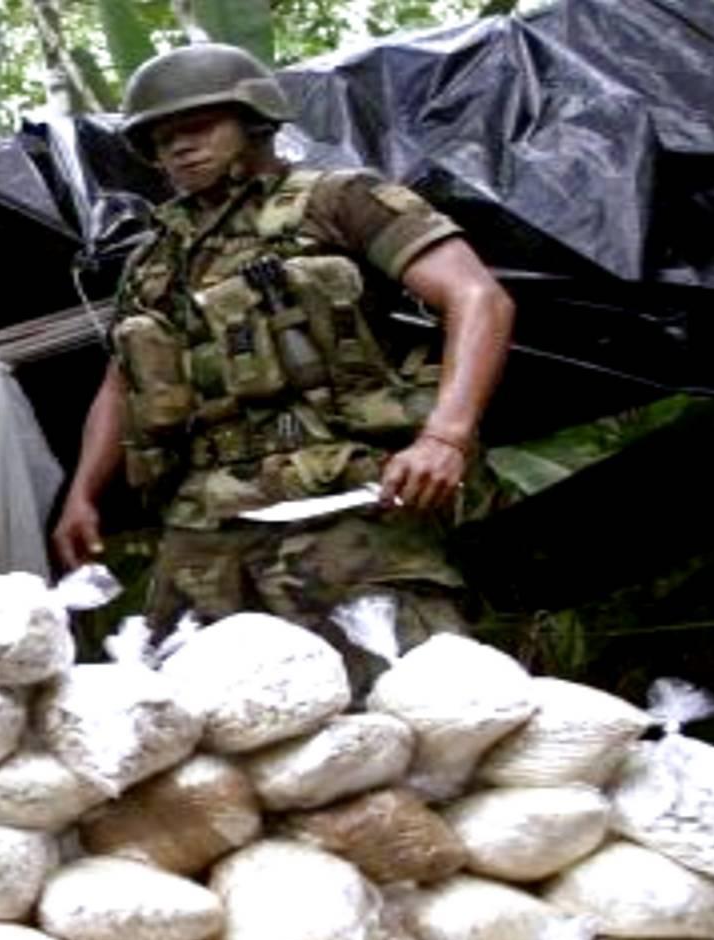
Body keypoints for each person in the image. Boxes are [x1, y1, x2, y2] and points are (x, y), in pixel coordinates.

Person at [51, 44, 514, 665]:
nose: (180, 148)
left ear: (255, 121)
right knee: (182, 703)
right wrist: (83, 494)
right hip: (205, 519)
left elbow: (478, 297)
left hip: (343, 501)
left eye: (198, 127)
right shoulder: (154, 259)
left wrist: (445, 437)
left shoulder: (338, 200)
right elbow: (120, 383)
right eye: (162, 140)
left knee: (410, 692)